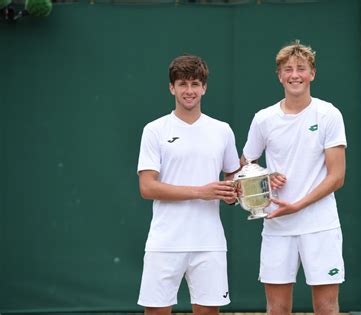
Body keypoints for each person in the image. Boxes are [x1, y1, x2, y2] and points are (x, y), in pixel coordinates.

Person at [242, 40, 347, 315]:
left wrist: (298, 205)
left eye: (301, 68)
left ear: (312, 73)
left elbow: (337, 177)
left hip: (320, 225)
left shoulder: (329, 114)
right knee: (277, 308)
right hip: (277, 226)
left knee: (326, 307)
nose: (295, 75)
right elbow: (245, 166)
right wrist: (264, 176)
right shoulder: (264, 119)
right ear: (279, 76)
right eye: (288, 69)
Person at [136, 54, 240, 315]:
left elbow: (233, 179)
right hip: (165, 242)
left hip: (209, 242)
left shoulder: (223, 130)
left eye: (195, 84)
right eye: (183, 84)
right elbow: (147, 187)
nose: (189, 91)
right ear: (172, 88)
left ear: (204, 87)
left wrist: (235, 193)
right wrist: (201, 192)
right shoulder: (154, 130)